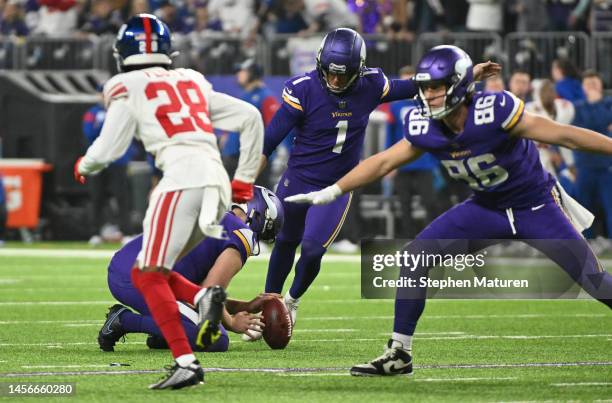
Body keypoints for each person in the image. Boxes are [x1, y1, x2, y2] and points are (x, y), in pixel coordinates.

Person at [286, 45, 612, 376]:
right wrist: (333, 190)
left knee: (592, 279)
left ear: (458, 85)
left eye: (436, 87)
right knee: (415, 258)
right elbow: (383, 161)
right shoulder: (423, 125)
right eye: (425, 87)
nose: (429, 95)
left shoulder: (494, 111)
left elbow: (566, 136)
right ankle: (399, 352)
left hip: (535, 205)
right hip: (486, 208)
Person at [259, 28, 500, 328]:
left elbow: (416, 86)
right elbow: (269, 140)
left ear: (358, 71)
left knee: (311, 250)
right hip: (297, 179)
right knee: (285, 241)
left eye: (343, 75)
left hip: (338, 185)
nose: (335, 80)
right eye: (330, 73)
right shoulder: (303, 88)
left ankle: (290, 303)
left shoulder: (371, 84)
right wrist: (244, 184)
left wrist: (467, 76)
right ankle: (267, 306)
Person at [73, 14, 263, 389]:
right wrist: (243, 181)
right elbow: (251, 117)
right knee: (157, 271)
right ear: (167, 51)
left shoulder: (125, 84)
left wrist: (85, 164)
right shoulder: (191, 79)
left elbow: (109, 148)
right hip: (216, 183)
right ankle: (202, 299)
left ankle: (187, 364)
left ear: (122, 54)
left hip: (179, 182)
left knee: (148, 274)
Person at [99, 186, 284, 353]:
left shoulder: (214, 212)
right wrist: (232, 322)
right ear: (258, 216)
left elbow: (197, 293)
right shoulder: (243, 235)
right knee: (215, 339)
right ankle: (123, 320)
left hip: (125, 267)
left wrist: (245, 306)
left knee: (197, 320)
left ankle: (163, 333)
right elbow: (209, 293)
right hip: (139, 279)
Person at [383, 65, 439, 238]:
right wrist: (389, 163)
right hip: (402, 163)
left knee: (430, 203)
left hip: (425, 162)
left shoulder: (429, 102)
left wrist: (436, 159)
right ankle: (408, 239)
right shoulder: (394, 106)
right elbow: (389, 135)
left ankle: (432, 239)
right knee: (404, 205)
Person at [82, 85, 135, 244]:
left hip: (118, 160)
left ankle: (126, 231)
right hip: (99, 161)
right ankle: (95, 233)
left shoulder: (123, 111)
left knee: (122, 197)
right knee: (97, 197)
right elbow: (88, 132)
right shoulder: (93, 113)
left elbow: (130, 132)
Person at [572, 70, 612, 238]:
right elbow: (581, 133)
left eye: (595, 84)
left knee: (610, 206)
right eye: (589, 85)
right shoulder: (577, 107)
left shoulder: (610, 103)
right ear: (583, 88)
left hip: (607, 166)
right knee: (583, 209)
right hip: (585, 165)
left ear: (601, 85)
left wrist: (595, 105)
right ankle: (585, 243)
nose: (592, 87)